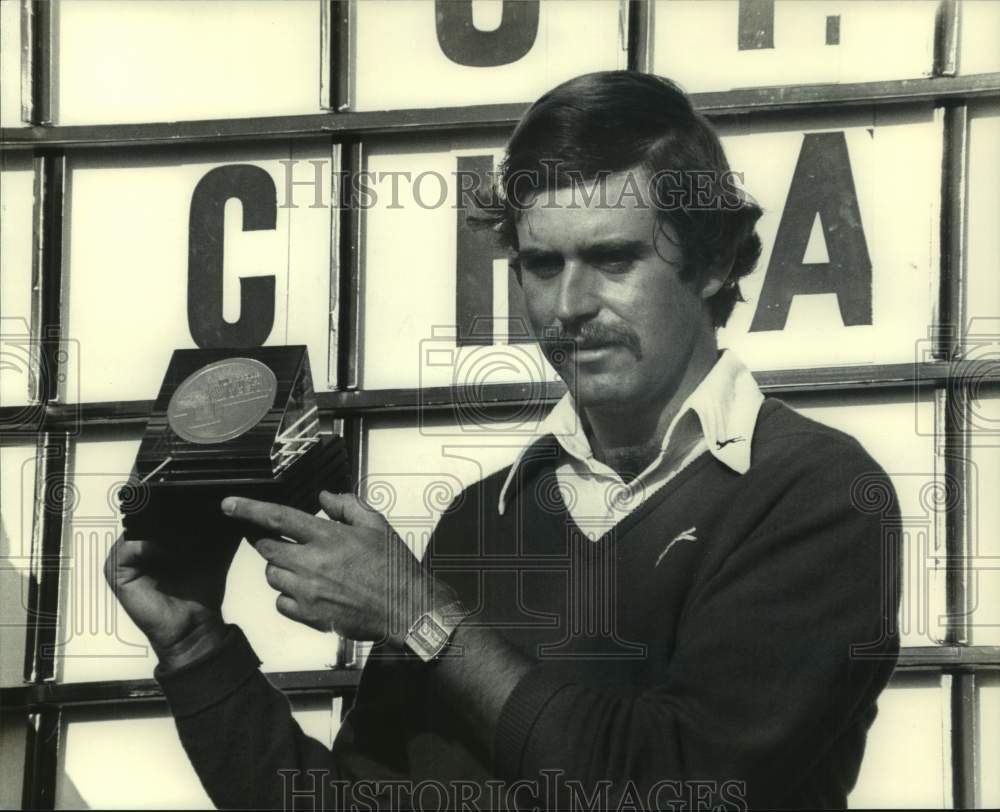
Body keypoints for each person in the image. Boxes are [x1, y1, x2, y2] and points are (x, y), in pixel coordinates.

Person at [106, 71, 901, 811]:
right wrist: (198, 647)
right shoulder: (482, 520)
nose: (572, 303)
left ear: (717, 261)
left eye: (614, 258)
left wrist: (420, 614)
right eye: (541, 264)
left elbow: (679, 783)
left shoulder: (817, 492)